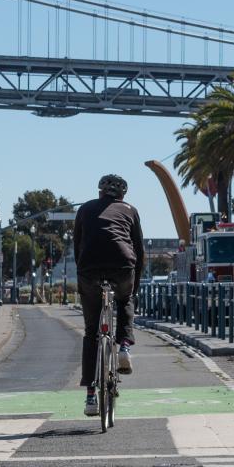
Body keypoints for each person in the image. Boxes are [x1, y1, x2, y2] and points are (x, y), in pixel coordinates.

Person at [74, 174, 144, 417]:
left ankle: (91, 397)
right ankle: (124, 346)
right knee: (125, 300)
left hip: (89, 270)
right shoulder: (130, 210)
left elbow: (77, 246)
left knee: (92, 332)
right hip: (123, 266)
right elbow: (139, 250)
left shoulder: (84, 209)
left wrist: (82, 273)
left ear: (100, 192)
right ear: (123, 195)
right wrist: (134, 286)